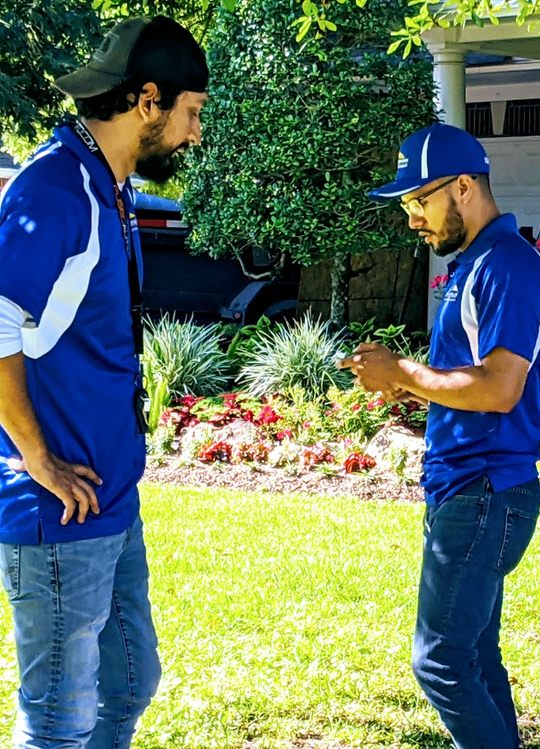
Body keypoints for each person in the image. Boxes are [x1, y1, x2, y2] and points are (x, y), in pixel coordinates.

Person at [0, 17, 207, 748]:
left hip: (111, 498)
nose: (195, 134)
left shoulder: (105, 186)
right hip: (57, 512)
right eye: (192, 112)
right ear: (147, 100)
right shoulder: (56, 189)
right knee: (59, 719)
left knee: (126, 681)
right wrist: (35, 456)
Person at [343, 123, 540, 748]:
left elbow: (499, 388)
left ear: (463, 186)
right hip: (469, 489)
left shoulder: (507, 265)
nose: (412, 218)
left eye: (419, 200)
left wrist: (404, 373)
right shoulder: (479, 264)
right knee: (473, 659)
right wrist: (406, 385)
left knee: (438, 662)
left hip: (485, 491)